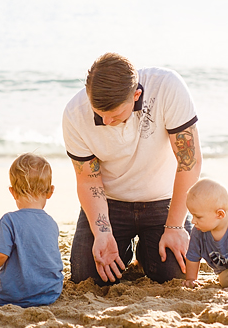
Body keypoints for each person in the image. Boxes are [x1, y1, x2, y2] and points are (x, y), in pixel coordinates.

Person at [63, 53, 202, 285]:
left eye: (114, 115)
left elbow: (189, 162)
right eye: (100, 115)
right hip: (110, 203)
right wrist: (102, 234)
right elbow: (88, 180)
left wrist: (175, 226)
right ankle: (126, 244)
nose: (106, 122)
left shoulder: (167, 87)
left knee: (173, 275)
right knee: (87, 277)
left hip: (162, 201)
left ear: (136, 95)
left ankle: (145, 253)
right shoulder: (75, 114)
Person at [0, 154, 64, 307]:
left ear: (12, 191)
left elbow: (0, 255)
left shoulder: (9, 220)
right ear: (50, 192)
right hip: (50, 292)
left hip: (14, 295)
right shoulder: (51, 223)